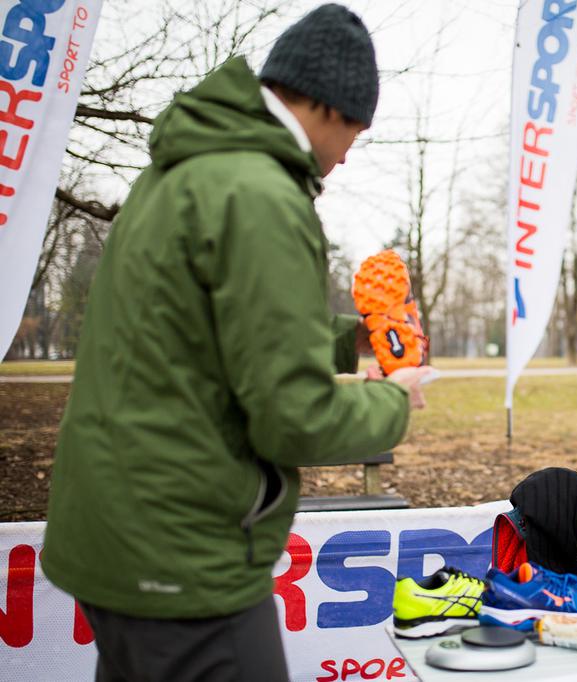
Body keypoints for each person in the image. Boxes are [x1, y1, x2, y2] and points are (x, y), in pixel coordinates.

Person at [41, 5, 431, 681]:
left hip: (114, 532)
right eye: (356, 131)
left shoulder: (185, 171)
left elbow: (202, 336)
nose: (347, 154)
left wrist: (357, 338)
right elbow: (295, 418)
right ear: (328, 107)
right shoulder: (261, 194)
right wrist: (393, 402)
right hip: (184, 554)